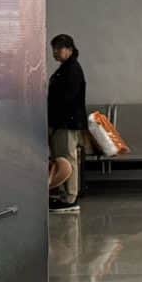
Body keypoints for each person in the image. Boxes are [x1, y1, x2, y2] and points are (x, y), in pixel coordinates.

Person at [47, 34, 87, 214]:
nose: (55, 52)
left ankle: (70, 197)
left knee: (67, 158)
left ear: (70, 49)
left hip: (66, 122)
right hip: (59, 122)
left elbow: (67, 98)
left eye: (59, 48)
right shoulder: (64, 68)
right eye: (54, 48)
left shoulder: (72, 70)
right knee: (60, 158)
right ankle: (64, 194)